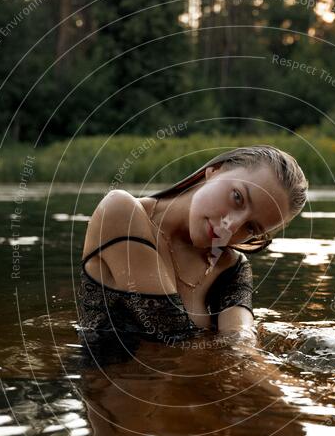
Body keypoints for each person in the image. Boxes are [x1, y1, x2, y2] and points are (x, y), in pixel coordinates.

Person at [76, 145, 307, 363]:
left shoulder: (231, 268)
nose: (232, 225)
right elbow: (171, 339)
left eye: (251, 228)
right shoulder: (119, 211)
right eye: (237, 197)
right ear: (214, 171)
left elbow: (241, 345)